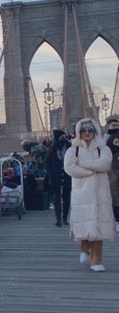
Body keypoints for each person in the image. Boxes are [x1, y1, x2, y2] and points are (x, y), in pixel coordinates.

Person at [63, 117, 114, 272]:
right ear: (78, 132)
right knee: (85, 225)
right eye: (83, 130)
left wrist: (84, 165)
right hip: (82, 194)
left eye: (90, 130)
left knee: (99, 229)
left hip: (100, 194)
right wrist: (91, 171)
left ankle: (96, 261)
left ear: (95, 132)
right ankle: (84, 247)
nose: (86, 133)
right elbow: (70, 168)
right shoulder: (73, 150)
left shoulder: (103, 148)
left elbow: (105, 164)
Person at [45, 129, 71, 226]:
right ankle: (58, 219)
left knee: (66, 198)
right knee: (56, 199)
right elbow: (47, 164)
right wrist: (51, 175)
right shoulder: (51, 149)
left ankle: (65, 218)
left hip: (67, 176)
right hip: (55, 178)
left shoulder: (69, 147)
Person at [103, 114, 119, 231]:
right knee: (112, 200)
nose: (115, 127)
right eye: (113, 125)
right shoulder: (105, 140)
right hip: (110, 176)